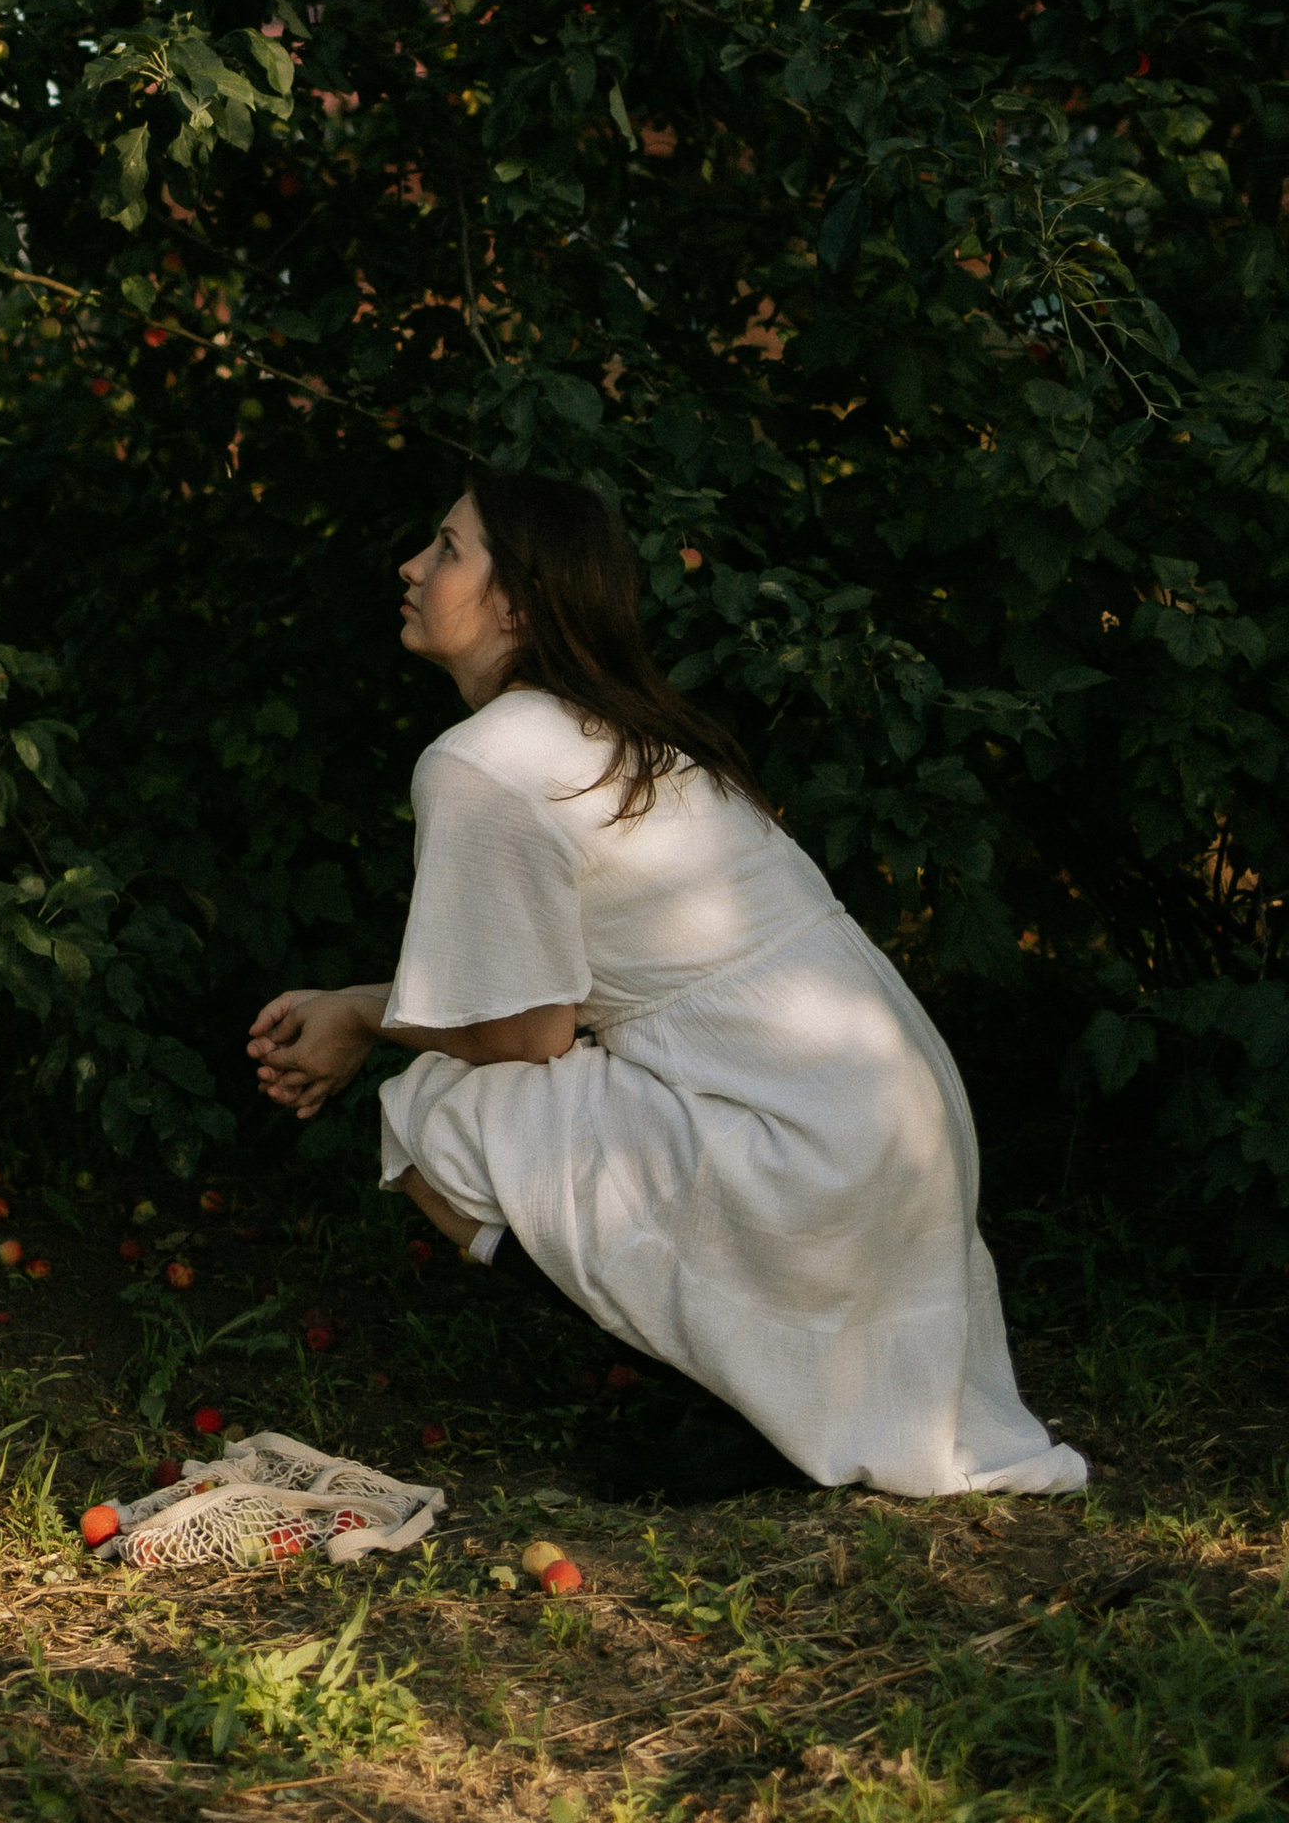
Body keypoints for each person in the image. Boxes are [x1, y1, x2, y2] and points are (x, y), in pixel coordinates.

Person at [247, 468, 1084, 1503]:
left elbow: (530, 1034)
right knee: (493, 1096)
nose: (411, 566)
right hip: (896, 1136)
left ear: (517, 600)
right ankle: (755, 1387)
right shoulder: (629, 738)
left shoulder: (482, 758)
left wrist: (361, 1015)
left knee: (429, 1116)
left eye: (448, 547)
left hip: (813, 1153)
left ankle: (738, 1406)